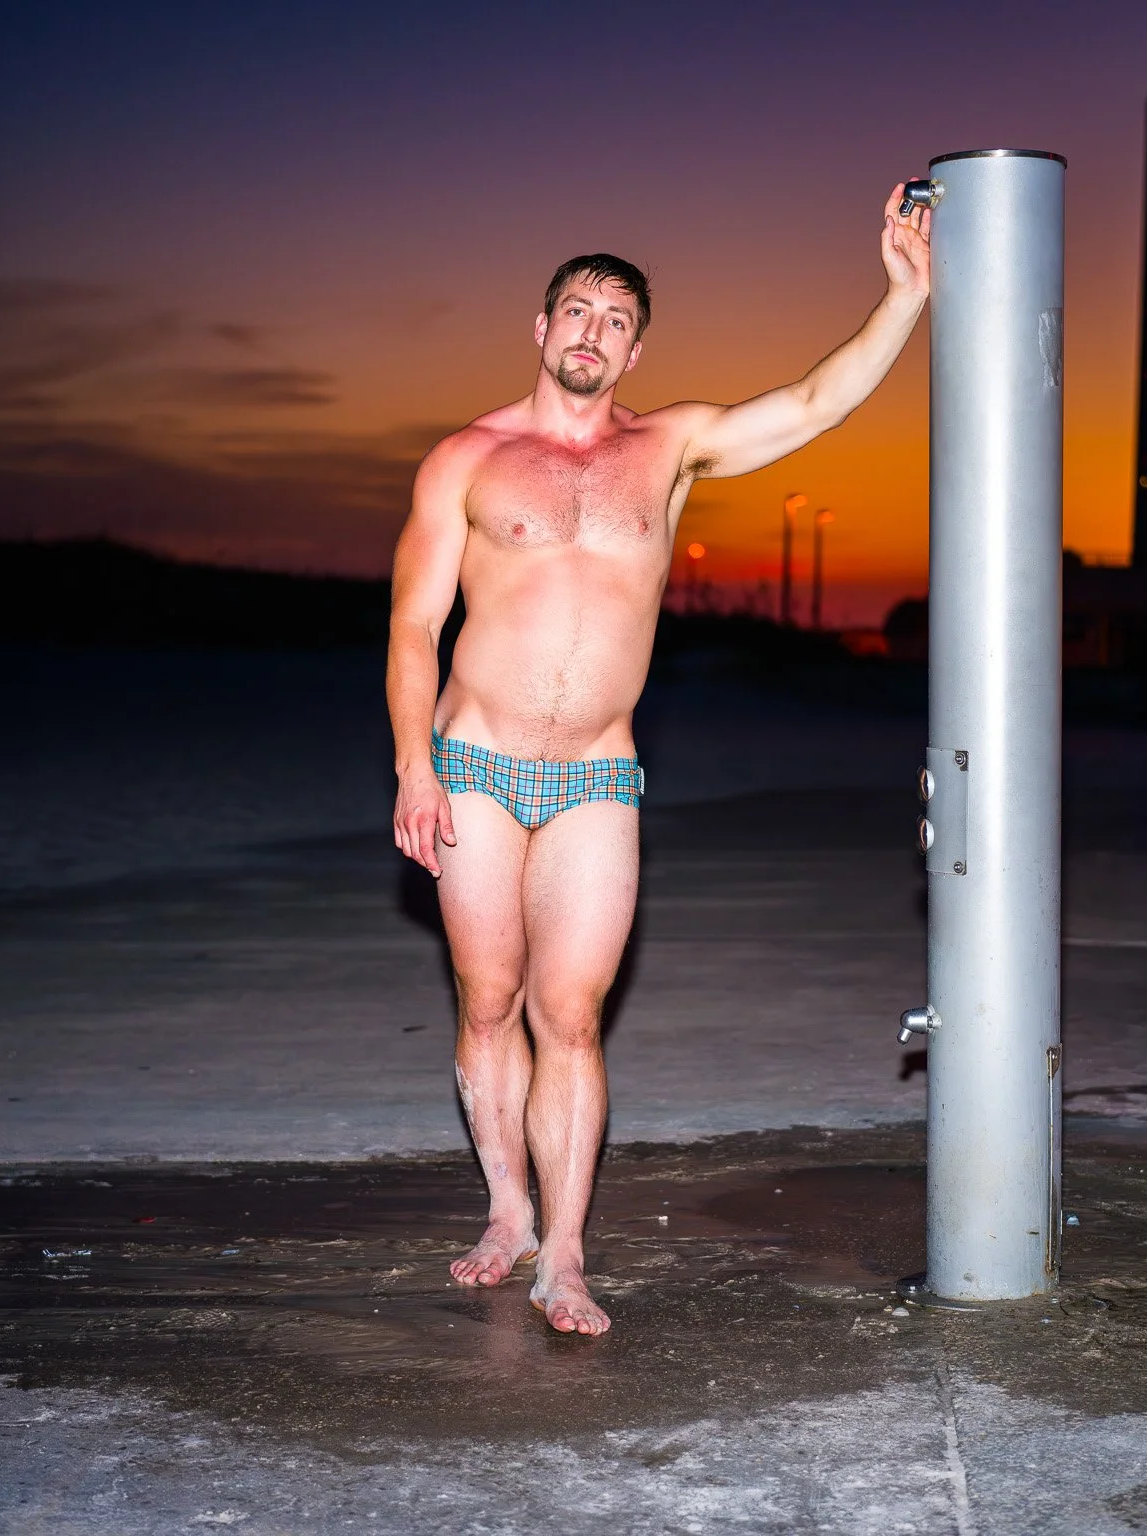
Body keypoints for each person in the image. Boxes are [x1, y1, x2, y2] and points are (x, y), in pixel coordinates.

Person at [386, 183, 932, 1335]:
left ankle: (566, 1254)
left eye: (615, 319)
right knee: (488, 1001)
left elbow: (813, 401)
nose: (592, 332)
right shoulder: (465, 460)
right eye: (574, 311)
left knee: (569, 1016)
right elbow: (411, 626)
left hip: (596, 777)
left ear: (637, 346)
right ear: (541, 329)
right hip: (473, 766)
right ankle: (505, 1211)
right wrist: (411, 766)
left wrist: (900, 297)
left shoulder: (670, 448)